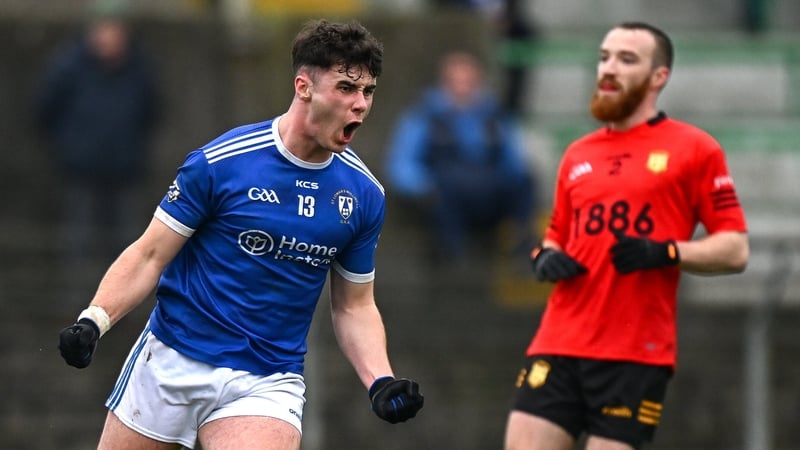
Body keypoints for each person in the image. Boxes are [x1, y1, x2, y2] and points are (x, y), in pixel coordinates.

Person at [57, 19, 424, 450]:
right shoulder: (221, 162)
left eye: (368, 92)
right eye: (346, 87)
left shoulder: (363, 194)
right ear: (303, 86)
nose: (360, 104)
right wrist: (94, 321)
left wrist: (379, 379)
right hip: (173, 359)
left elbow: (354, 306)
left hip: (267, 379)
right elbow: (149, 256)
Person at [504, 22, 749, 450]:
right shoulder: (579, 152)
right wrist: (546, 255)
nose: (609, 68)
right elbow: (558, 232)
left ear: (660, 77)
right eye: (604, 57)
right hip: (558, 342)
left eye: (626, 59)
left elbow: (735, 248)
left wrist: (667, 251)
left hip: (634, 354)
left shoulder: (695, 149)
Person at [35, 5, 160, 271]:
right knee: (77, 243)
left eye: (115, 30)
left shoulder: (140, 68)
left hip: (126, 170)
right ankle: (75, 304)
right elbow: (45, 110)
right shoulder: (68, 66)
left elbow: (152, 112)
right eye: (103, 29)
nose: (108, 37)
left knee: (127, 243)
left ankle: (124, 308)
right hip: (80, 170)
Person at [385, 50, 537, 261]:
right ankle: (453, 255)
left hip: (488, 192)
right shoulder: (425, 116)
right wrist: (426, 189)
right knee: (446, 191)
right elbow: (402, 165)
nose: (462, 88)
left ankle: (523, 245)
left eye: (469, 82)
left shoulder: (494, 116)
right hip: (447, 196)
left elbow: (514, 163)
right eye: (455, 81)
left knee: (525, 182)